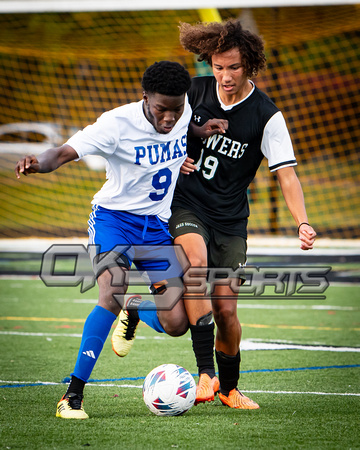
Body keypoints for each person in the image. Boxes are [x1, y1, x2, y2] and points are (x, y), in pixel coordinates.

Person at [111, 20, 317, 410]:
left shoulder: (267, 115)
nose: (224, 75)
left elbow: (286, 175)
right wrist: (174, 157)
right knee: (196, 264)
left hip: (231, 219)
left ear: (249, 65)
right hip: (185, 205)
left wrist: (302, 221)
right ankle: (206, 373)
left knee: (225, 308)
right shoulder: (192, 92)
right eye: (218, 67)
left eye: (234, 67)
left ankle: (228, 387)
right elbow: (156, 126)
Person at [15, 60, 223, 419]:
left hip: (155, 226)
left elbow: (185, 127)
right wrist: (39, 163)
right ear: (145, 98)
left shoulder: (181, 107)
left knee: (176, 324)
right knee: (111, 290)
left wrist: (200, 133)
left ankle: (136, 306)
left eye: (176, 109)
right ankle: (72, 396)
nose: (170, 117)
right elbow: (64, 152)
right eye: (161, 109)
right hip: (114, 220)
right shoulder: (116, 124)